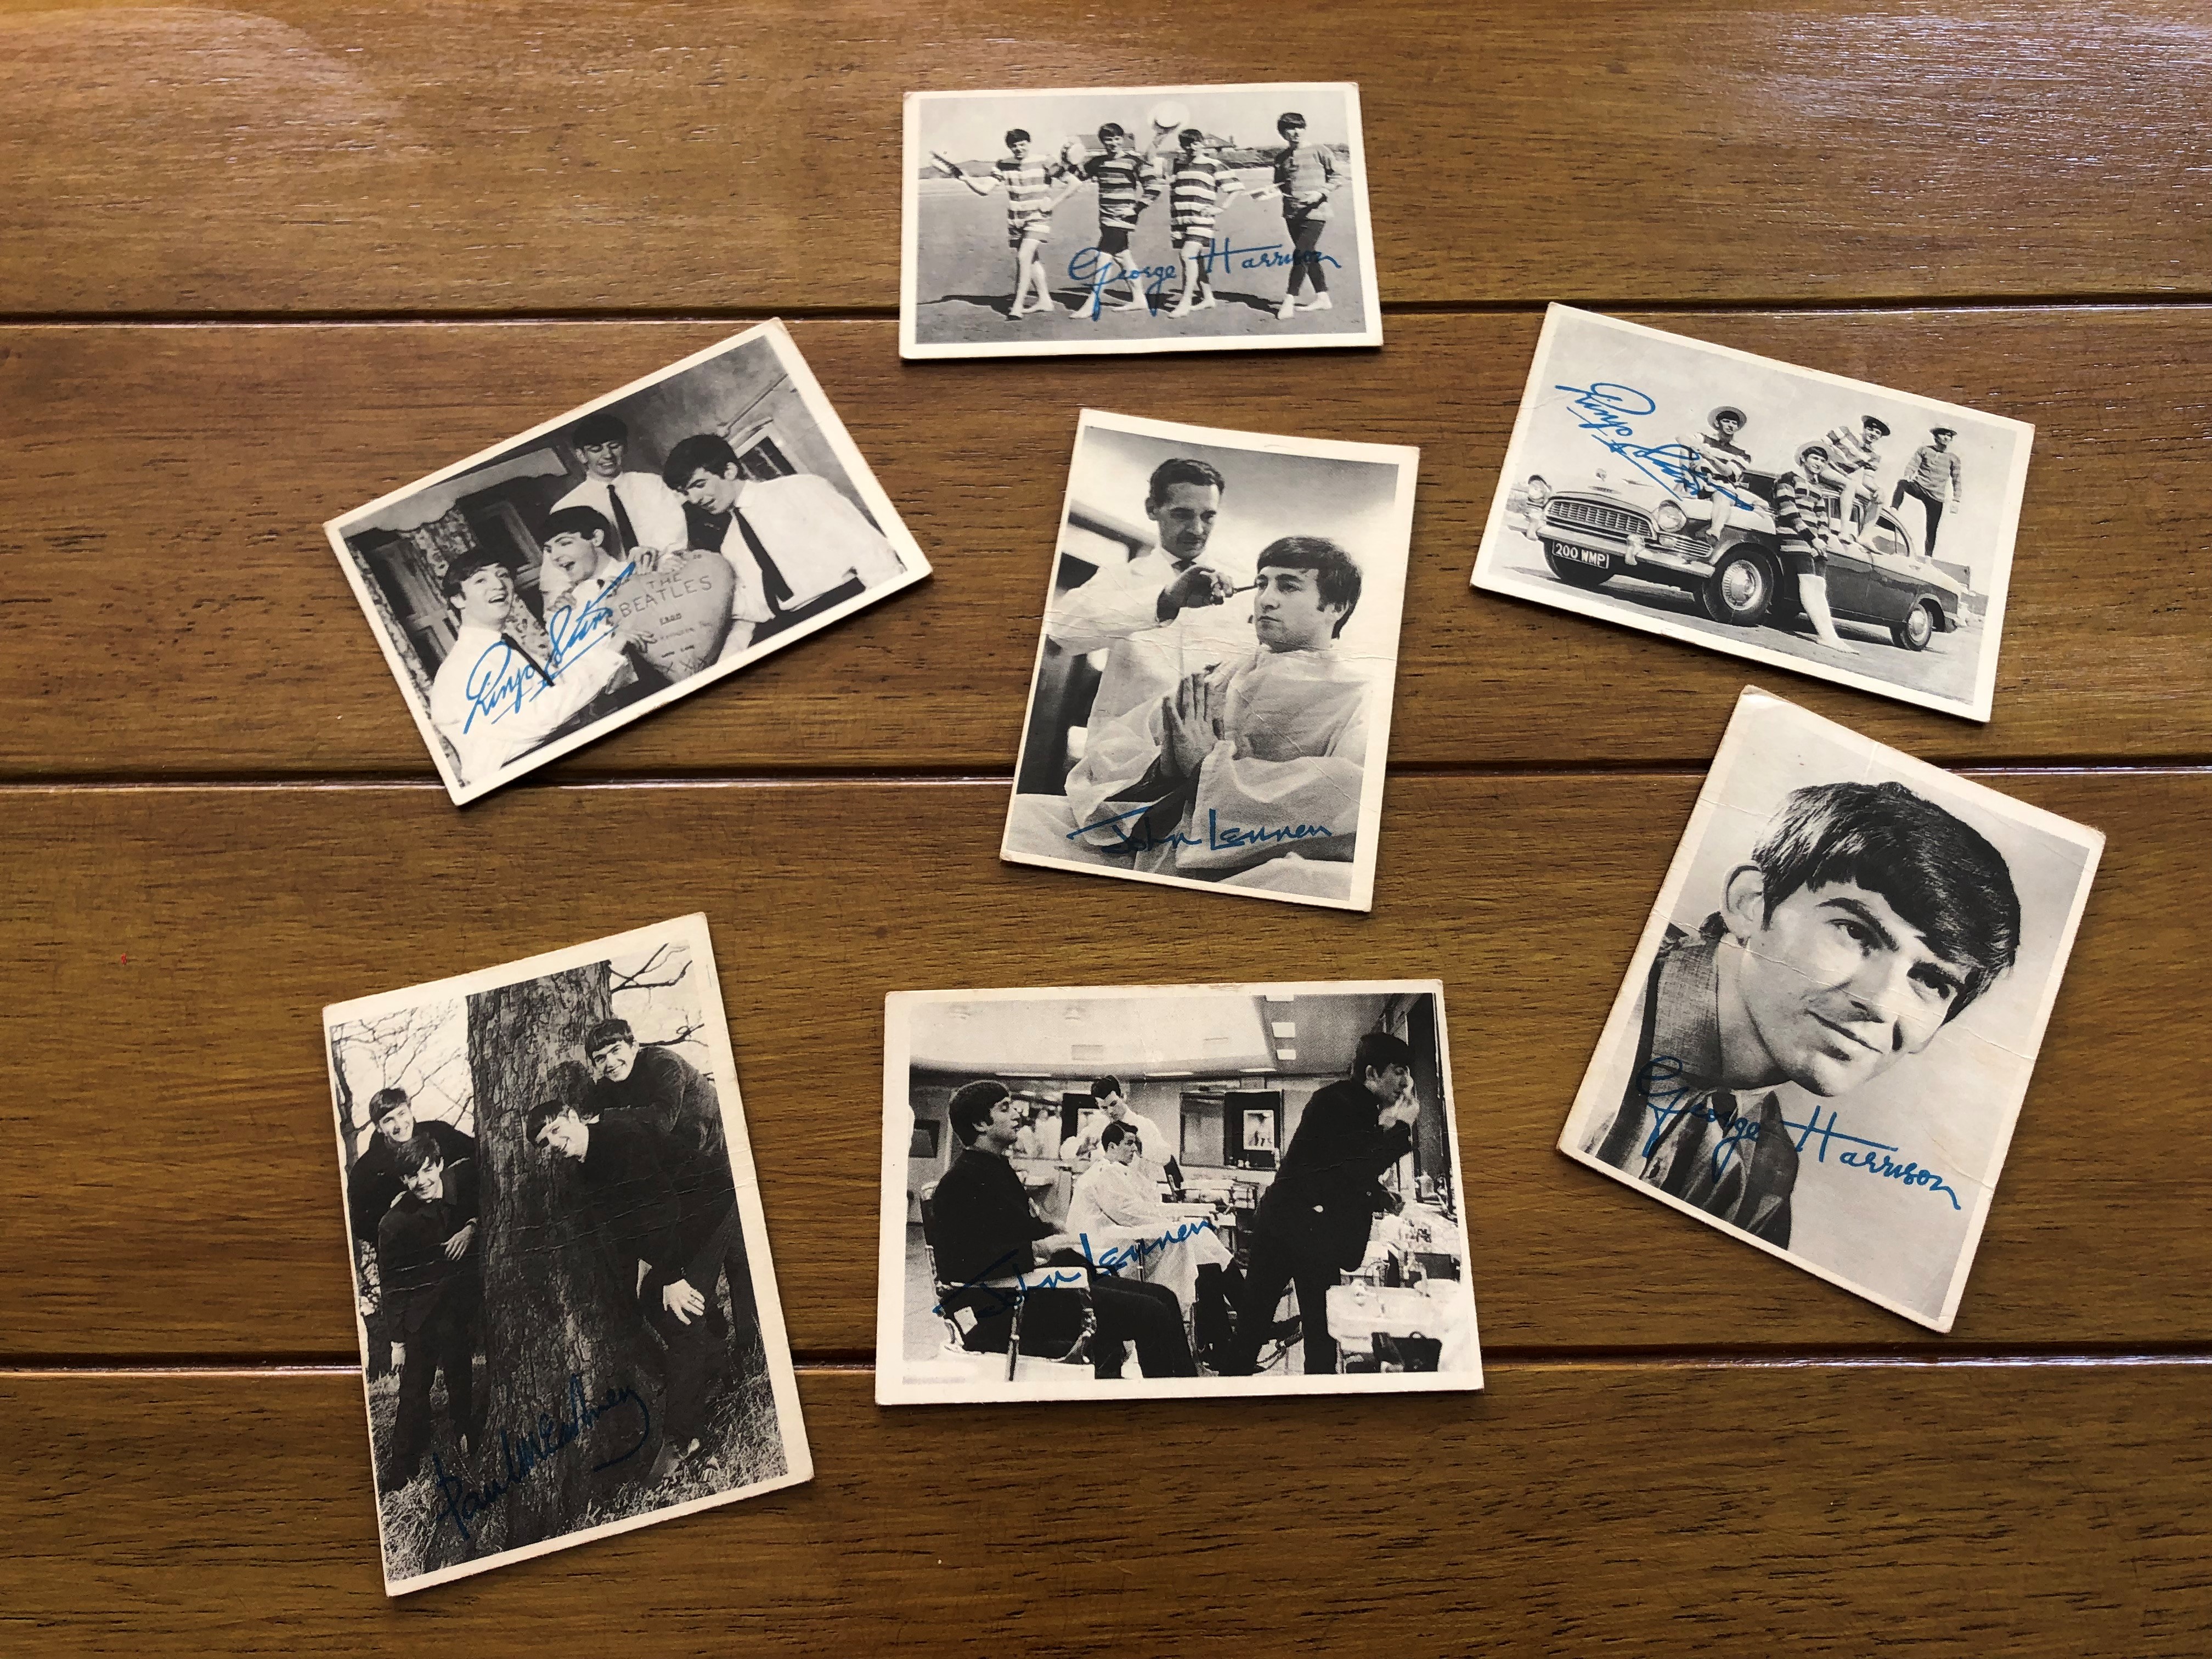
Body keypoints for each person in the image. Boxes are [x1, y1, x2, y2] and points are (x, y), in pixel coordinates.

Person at [1584, 780, 2022, 1248]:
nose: (1880, 1003)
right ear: (1751, 904)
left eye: (1932, 982)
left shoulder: (1763, 1170)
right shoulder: (1604, 1005)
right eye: (1856, 932)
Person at [1013, 535, 1372, 900]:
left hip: (1247, 864)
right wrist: (1162, 770)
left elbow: (1347, 800)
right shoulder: (1222, 674)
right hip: (1152, 839)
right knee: (1021, 817)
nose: (1266, 599)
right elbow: (1119, 744)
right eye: (1262, 583)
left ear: (1336, 606)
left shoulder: (1357, 695)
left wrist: (1208, 769)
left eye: (1288, 586)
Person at [929, 1081, 1196, 1380]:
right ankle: (1168, 1400)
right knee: (1152, 1312)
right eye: (1005, 1108)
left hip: (1036, 1286)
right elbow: (960, 1266)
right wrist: (1039, 1248)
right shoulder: (959, 1183)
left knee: (1165, 1297)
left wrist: (1049, 1228)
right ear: (980, 1124)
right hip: (1015, 1304)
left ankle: (1187, 1392)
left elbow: (1015, 1229)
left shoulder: (996, 1169)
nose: (1017, 1114)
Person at [530, 1098, 737, 1483]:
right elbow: (625, 1224)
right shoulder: (586, 1167)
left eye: (557, 1130)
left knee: (682, 1318)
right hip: (676, 1225)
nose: (555, 1144)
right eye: (546, 1142)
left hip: (708, 1208)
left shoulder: (621, 1138)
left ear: (574, 1117)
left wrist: (671, 1276)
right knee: (654, 1304)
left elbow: (659, 1204)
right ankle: (715, 1365)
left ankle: (683, 1440)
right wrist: (646, 1269)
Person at [1216, 1032, 1425, 1377]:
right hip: (1287, 1231)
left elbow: (1338, 1172)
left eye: (1408, 1072)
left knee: (1320, 1336)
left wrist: (1379, 1195)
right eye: (1399, 1071)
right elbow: (1353, 1168)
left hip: (1310, 1231)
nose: (1407, 1082)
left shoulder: (1360, 1107)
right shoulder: (1335, 1103)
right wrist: (1401, 1128)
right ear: (1372, 1074)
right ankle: (1226, 1398)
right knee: (1258, 1328)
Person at [1041, 456, 1252, 742]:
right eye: (1182, 515)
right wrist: (1165, 601)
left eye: (1208, 516)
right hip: (1126, 749)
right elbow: (1060, 632)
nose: (1197, 530)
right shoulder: (1120, 578)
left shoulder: (1239, 587)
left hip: (1204, 752)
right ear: (1152, 509)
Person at [661, 434, 909, 662]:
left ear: (729, 471)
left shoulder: (799, 489)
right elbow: (756, 611)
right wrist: (689, 582)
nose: (694, 499)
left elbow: (870, 551)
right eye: (686, 492)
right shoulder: (731, 544)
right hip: (793, 626)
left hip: (849, 603)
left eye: (699, 484)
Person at [426, 549, 630, 786]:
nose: (499, 585)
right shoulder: (462, 667)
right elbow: (540, 717)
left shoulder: (507, 649)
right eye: (481, 580)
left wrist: (596, 628)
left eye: (503, 575)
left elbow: (564, 685)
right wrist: (609, 656)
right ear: (458, 600)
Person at [375, 1132, 483, 1485]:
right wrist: (397, 1342)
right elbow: (392, 1285)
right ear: (403, 1180)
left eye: (426, 1170)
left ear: (439, 1165)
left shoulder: (461, 1181)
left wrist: (471, 1227)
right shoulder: (394, 1223)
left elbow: (486, 1196)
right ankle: (400, 1468)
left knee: (459, 1373)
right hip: (419, 1315)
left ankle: (466, 1437)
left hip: (456, 1307)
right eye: (411, 1176)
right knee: (413, 1390)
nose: (421, 1182)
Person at [1067, 1121, 1234, 1340]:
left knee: (1202, 1248)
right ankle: (1221, 1335)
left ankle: (1222, 1336)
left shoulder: (1120, 1172)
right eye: (1128, 1143)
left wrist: (1174, 1219)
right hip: (1104, 1249)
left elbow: (1143, 1207)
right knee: (1193, 1249)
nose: (1134, 1149)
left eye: (1135, 1144)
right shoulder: (1103, 1173)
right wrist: (1172, 1223)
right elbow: (1129, 1214)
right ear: (1112, 1147)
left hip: (1123, 1239)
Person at [933, 129, 1074, 320]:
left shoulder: (1045, 161)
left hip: (1038, 218)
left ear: (1029, 143)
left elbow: (1074, 183)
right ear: (1009, 147)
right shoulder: (1003, 165)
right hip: (1016, 220)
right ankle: (1045, 301)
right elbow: (984, 190)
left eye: (1022, 144)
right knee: (1032, 260)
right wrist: (965, 178)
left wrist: (1053, 204)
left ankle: (1017, 305)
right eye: (1014, 146)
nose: (1019, 149)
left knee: (1024, 257)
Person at [546, 411, 691, 586]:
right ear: (581, 455)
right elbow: (560, 573)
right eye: (596, 450)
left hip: (666, 575)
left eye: (614, 446)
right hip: (610, 588)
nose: (608, 455)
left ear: (625, 448)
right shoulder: (566, 507)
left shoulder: (651, 484)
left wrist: (667, 560)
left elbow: (676, 534)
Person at [347, 1087, 477, 1250]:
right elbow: (361, 1225)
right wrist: (397, 1211)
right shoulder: (365, 1170)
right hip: (414, 1249)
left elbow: (477, 1162)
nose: (399, 1125)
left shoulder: (440, 1134)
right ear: (379, 1128)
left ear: (410, 1110)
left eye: (402, 1114)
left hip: (463, 1232)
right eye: (389, 1120)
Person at [1771, 442, 1861, 656]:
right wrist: (1812, 540)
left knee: (1820, 586)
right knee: (1809, 582)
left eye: (1822, 461)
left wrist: (1821, 541)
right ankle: (1827, 636)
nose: (1818, 463)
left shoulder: (1818, 488)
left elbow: (1822, 518)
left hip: (1814, 542)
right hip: (1794, 536)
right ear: (1804, 459)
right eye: (1814, 458)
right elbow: (1789, 512)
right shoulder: (1787, 479)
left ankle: (1830, 636)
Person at [1065, 122, 1162, 318]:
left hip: (1123, 218)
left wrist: (1135, 209)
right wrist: (1070, 160)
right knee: (1123, 257)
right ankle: (1139, 299)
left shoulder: (1134, 162)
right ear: (1103, 142)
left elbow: (1154, 187)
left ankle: (1092, 303)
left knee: (1103, 256)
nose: (1113, 143)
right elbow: (1078, 177)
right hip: (1106, 217)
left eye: (1117, 139)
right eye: (1109, 140)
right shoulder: (1098, 162)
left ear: (1123, 139)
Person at [1259, 111, 1342, 321]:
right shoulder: (1281, 158)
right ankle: (1323, 298)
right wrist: (1268, 192)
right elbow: (1280, 184)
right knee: (1308, 255)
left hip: (1316, 212)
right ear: (1283, 133)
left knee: (1301, 254)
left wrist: (1320, 193)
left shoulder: (1320, 151)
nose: (1296, 133)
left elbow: (1337, 177)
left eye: (1299, 128)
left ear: (1305, 129)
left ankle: (1289, 300)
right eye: (1290, 129)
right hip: (1292, 213)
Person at [1162, 127, 1243, 318]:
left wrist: (1221, 208)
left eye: (1195, 143)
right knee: (1195, 259)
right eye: (1186, 144)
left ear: (1203, 144)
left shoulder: (1213, 164)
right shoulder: (1178, 165)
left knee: (1187, 255)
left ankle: (1185, 302)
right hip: (1181, 219)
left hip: (1201, 219)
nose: (1191, 147)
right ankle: (1208, 298)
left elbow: (1236, 188)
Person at [1064, 1076, 1176, 1185]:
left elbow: (1166, 1156)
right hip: (1105, 1191)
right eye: (1104, 1108)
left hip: (1136, 1192)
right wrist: (1082, 1148)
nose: (1110, 1111)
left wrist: (1141, 1147)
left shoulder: (1143, 1125)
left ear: (1123, 1097)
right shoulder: (1098, 1125)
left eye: (1113, 1104)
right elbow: (1065, 1152)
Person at [1893, 426, 1964, 558]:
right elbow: (1913, 464)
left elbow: (1957, 480)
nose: (1946, 438)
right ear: (1936, 436)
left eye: (1949, 436)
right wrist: (1908, 475)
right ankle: (1893, 512)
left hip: (1936, 497)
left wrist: (1956, 499)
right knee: (1902, 483)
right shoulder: (1924, 450)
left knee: (1932, 530)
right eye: (1943, 434)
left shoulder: (1953, 459)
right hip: (1920, 487)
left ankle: (1928, 559)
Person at [1822, 413, 1893, 531]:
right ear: (1864, 429)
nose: (1873, 434)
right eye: (1870, 429)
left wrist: (1879, 490)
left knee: (1878, 500)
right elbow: (1823, 445)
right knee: (1850, 485)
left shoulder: (1874, 456)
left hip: (1842, 477)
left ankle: (1865, 536)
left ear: (1880, 437)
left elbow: (1867, 481)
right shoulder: (1845, 432)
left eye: (1877, 433)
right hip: (1825, 468)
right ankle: (1844, 529)